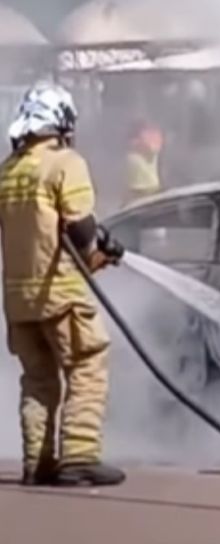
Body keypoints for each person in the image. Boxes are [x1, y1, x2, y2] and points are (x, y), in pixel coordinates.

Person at [0, 82, 126, 486]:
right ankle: (79, 456)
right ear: (62, 123)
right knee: (86, 366)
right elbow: (80, 233)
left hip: (19, 302)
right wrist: (105, 252)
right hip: (61, 296)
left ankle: (37, 463)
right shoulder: (64, 164)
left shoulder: (7, 172)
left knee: (38, 380)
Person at [125, 119, 163, 204]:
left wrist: (139, 142)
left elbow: (153, 148)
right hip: (134, 189)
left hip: (149, 188)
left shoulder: (151, 141)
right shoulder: (132, 150)